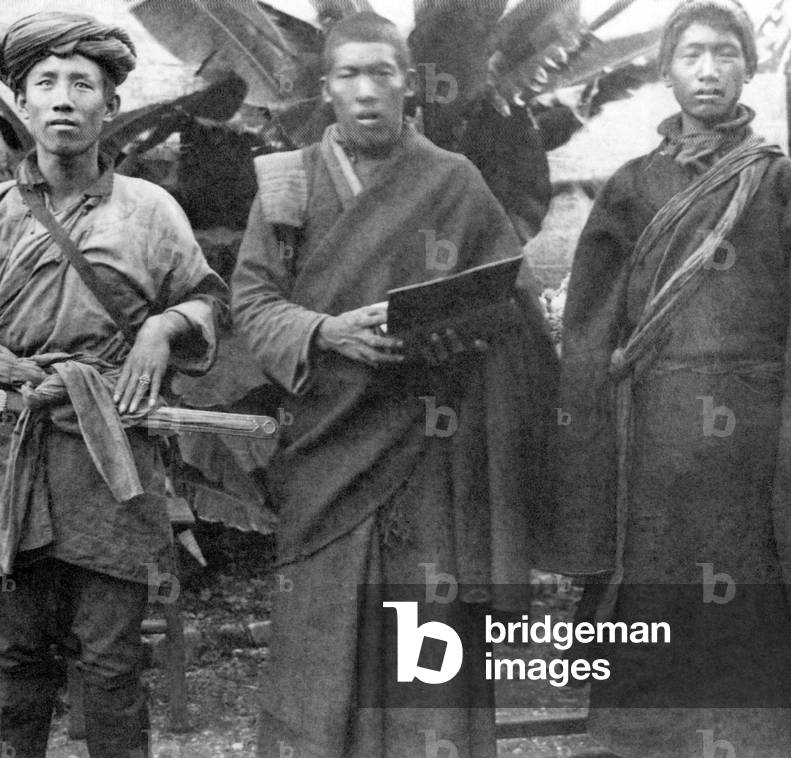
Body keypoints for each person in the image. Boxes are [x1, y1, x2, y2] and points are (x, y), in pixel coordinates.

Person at [0, 12, 228, 758]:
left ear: (110, 107)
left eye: (82, 85)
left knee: (112, 664)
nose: (63, 99)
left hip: (109, 461)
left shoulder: (150, 212)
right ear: (22, 107)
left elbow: (208, 301)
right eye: (45, 85)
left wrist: (162, 329)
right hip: (10, 458)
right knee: (17, 661)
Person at [551, 1, 791, 756]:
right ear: (665, 71)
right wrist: (589, 461)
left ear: (747, 68)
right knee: (643, 624)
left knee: (749, 633)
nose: (707, 70)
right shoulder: (629, 188)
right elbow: (590, 337)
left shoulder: (781, 185)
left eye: (724, 54)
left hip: (749, 456)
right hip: (651, 455)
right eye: (691, 55)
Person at [230, 11, 558, 757]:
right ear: (325, 88)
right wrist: (323, 331)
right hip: (327, 451)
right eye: (349, 74)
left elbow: (515, 307)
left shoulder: (453, 180)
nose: (366, 90)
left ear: (409, 85)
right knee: (319, 651)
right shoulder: (285, 184)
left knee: (429, 652)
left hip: (429, 453)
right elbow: (250, 302)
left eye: (383, 72)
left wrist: (453, 333)